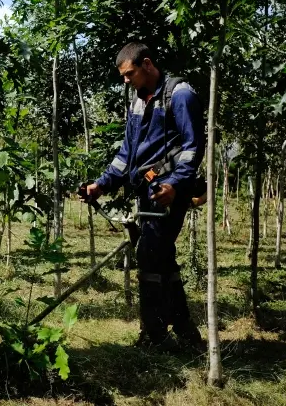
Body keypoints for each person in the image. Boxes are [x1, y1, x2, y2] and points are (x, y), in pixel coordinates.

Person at [85, 42, 205, 351]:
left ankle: (154, 335)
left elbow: (193, 148)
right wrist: (101, 184)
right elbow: (126, 155)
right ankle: (186, 331)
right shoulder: (138, 102)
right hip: (147, 192)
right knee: (162, 258)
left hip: (169, 192)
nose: (126, 81)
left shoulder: (180, 95)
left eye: (129, 74)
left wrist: (176, 185)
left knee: (149, 255)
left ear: (147, 64)